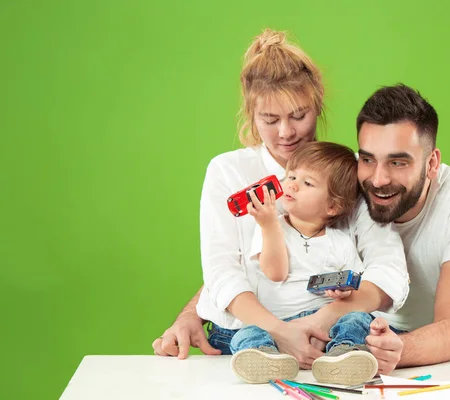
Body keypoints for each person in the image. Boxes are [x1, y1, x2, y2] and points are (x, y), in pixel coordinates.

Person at [152, 29, 409, 374]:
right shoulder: (228, 171)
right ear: (250, 115)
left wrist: (320, 320)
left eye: (299, 116)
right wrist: (281, 331)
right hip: (251, 335)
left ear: (318, 106)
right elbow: (222, 269)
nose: (286, 132)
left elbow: (388, 266)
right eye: (270, 120)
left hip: (326, 336)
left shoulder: (343, 170)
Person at [358, 84, 450, 374]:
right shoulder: (348, 187)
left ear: (432, 164)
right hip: (376, 330)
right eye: (367, 159)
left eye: (398, 162)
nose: (377, 179)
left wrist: (395, 350)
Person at [208, 141, 379, 385]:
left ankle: (342, 354)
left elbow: (357, 287)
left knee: (359, 319)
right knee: (246, 332)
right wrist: (268, 225)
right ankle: (266, 357)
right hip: (276, 324)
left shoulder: (339, 241)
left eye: (307, 183)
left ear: (333, 206)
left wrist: (344, 290)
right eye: (291, 176)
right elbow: (275, 273)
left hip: (321, 325)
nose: (292, 185)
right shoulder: (270, 227)